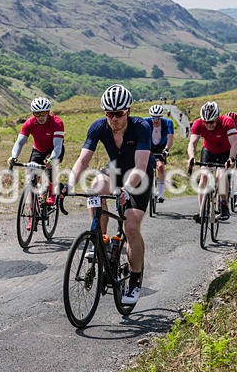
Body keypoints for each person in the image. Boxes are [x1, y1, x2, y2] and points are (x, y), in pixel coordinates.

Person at [65, 84, 151, 305]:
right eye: (110, 114)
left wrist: (126, 189)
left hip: (137, 177)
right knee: (95, 187)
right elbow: (83, 160)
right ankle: (99, 240)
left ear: (128, 111)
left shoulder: (141, 127)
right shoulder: (98, 127)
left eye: (119, 113)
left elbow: (140, 167)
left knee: (130, 226)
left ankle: (134, 279)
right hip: (113, 171)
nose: (114, 118)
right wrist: (68, 184)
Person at [8, 97, 65, 227]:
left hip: (54, 149)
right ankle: (32, 215)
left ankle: (51, 192)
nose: (40, 116)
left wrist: (51, 159)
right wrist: (13, 157)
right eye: (37, 114)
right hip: (38, 150)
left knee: (50, 165)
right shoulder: (29, 123)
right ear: (33, 114)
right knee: (30, 180)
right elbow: (20, 142)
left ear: (48, 112)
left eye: (43, 113)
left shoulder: (57, 123)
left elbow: (57, 146)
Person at [187, 101, 237, 221]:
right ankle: (201, 212)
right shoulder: (198, 123)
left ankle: (224, 204)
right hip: (208, 150)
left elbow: (235, 143)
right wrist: (191, 157)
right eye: (206, 122)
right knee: (204, 176)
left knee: (221, 175)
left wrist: (231, 158)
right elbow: (192, 143)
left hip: (225, 151)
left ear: (217, 118)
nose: (208, 125)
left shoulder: (227, 122)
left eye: (211, 122)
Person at [145, 104, 174, 203]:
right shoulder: (146, 121)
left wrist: (166, 149)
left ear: (161, 117)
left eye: (158, 118)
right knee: (144, 167)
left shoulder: (168, 123)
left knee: (160, 167)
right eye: (153, 117)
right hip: (149, 146)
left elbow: (170, 139)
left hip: (161, 148)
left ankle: (160, 192)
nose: (156, 120)